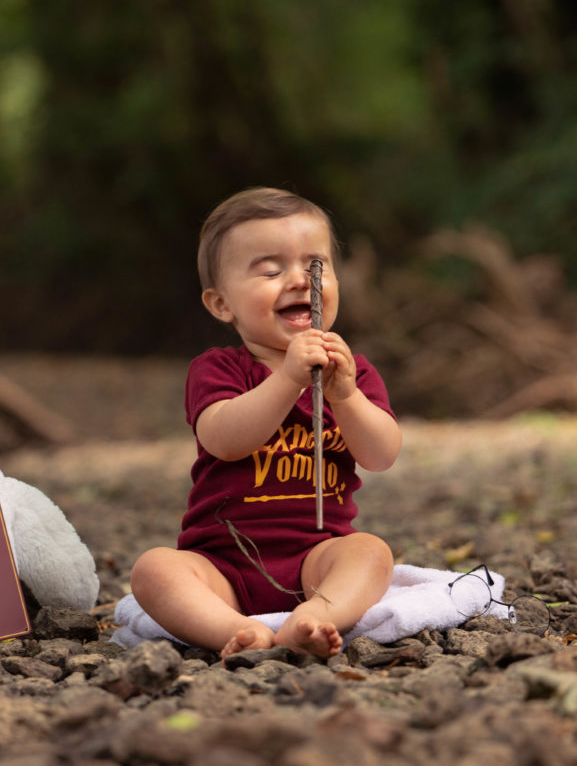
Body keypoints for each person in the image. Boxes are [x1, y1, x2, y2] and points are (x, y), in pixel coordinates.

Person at [129, 187, 401, 659]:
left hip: (318, 554)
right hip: (223, 562)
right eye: (271, 271)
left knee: (372, 553)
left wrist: (346, 396)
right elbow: (223, 440)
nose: (299, 281)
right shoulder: (218, 369)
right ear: (221, 304)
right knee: (153, 570)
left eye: (315, 267)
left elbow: (381, 455)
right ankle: (234, 631)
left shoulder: (350, 374)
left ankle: (314, 617)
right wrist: (289, 380)